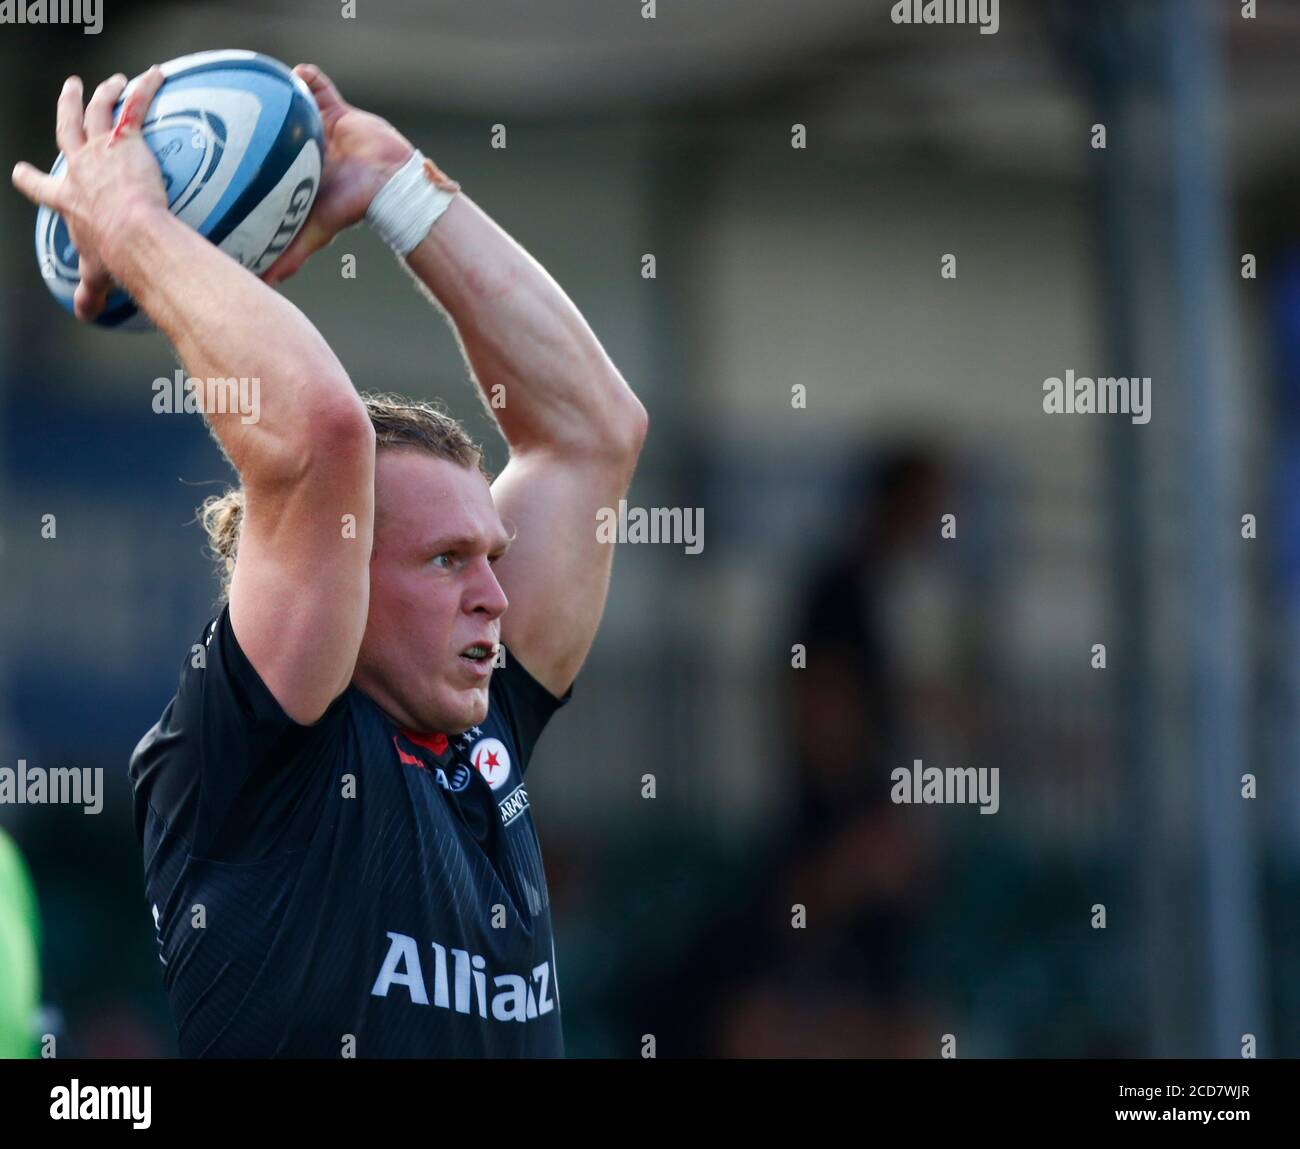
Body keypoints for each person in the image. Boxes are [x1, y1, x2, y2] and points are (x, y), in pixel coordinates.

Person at [11, 63, 646, 1057]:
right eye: (444, 560)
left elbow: (593, 432)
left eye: (490, 556)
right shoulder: (265, 755)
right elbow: (317, 433)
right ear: (342, 583)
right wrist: (133, 225)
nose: (492, 596)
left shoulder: (480, 733)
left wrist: (397, 184)